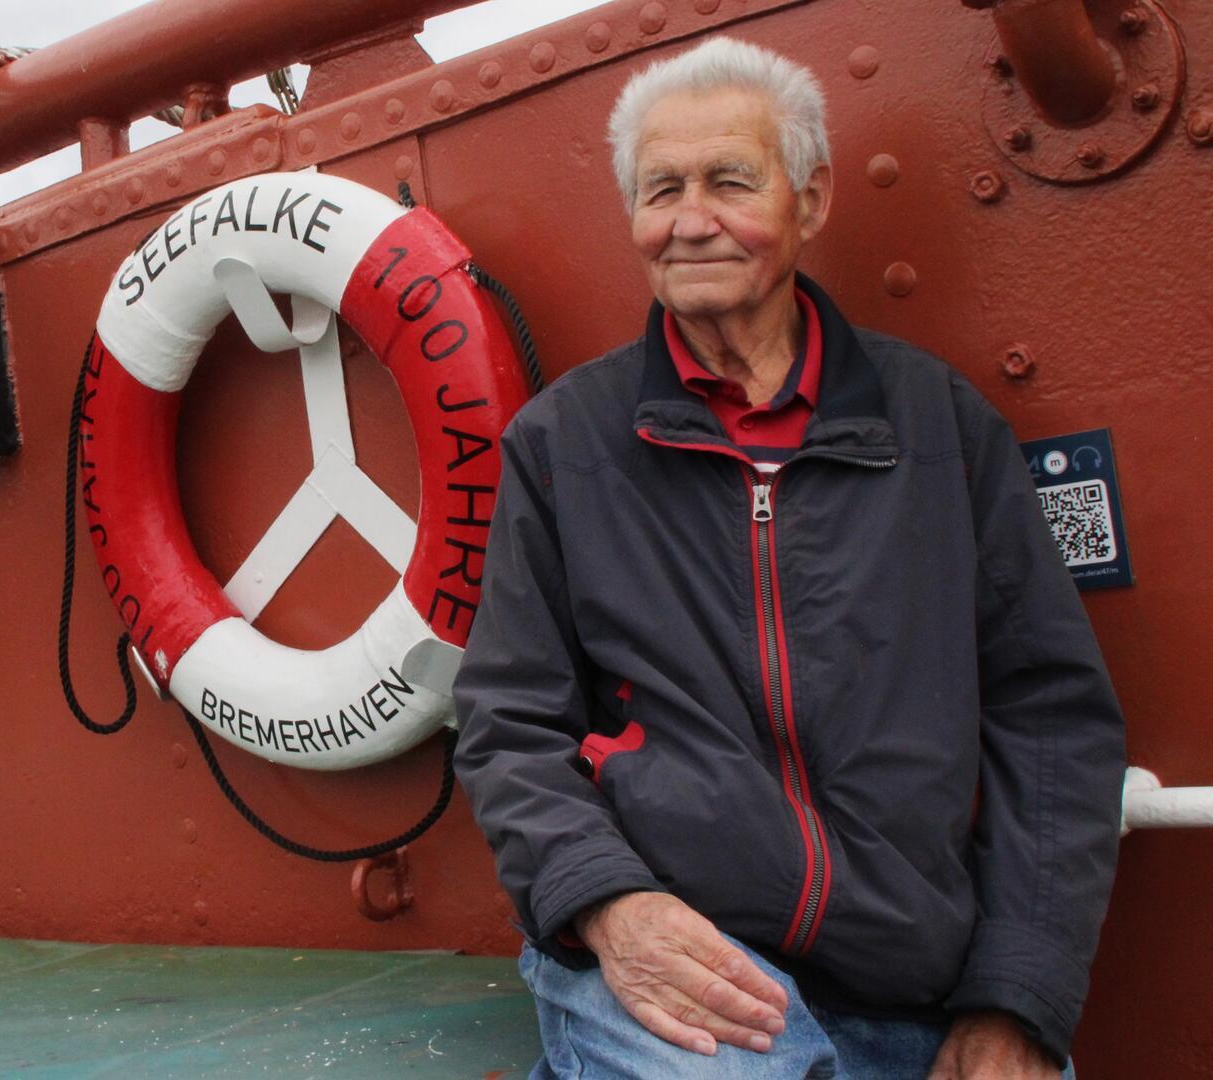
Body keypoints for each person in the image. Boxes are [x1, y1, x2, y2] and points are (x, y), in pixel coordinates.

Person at [452, 36, 1123, 1079]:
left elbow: (1051, 721)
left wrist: (1018, 998)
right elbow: (508, 722)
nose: (690, 219)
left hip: (913, 972)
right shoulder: (562, 443)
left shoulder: (940, 424)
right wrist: (609, 903)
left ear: (810, 202)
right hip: (676, 945)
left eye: (729, 180)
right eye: (661, 187)